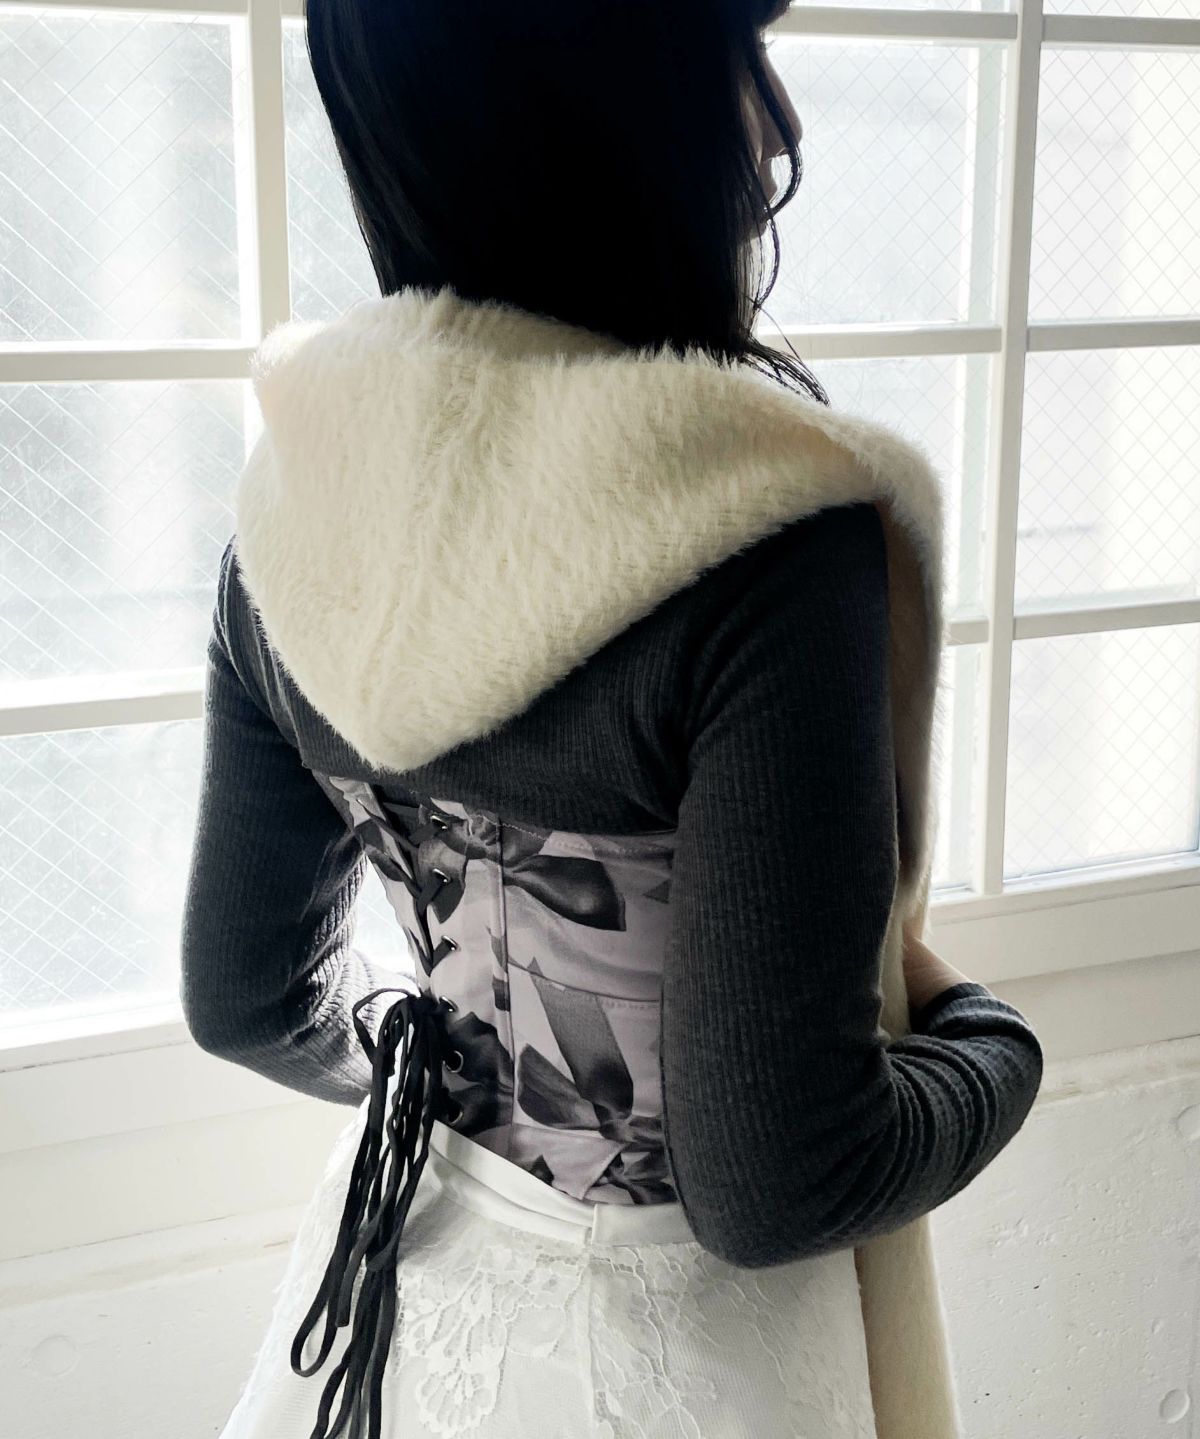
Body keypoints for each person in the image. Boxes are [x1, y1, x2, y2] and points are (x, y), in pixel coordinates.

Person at [180, 0, 1044, 1435]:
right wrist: (996, 1042)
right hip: (689, 1356)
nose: (780, 128)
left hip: (407, 1289)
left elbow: (247, 1004)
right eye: (735, 58)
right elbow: (777, 1182)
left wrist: (435, 1060)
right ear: (618, 105)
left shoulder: (283, 531)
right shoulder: (764, 550)